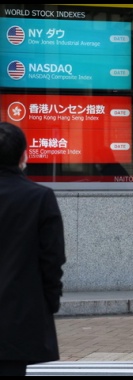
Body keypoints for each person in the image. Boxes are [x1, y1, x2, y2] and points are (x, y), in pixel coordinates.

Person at [0, 121, 66, 376]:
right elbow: (52, 259)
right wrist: (49, 303)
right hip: (19, 317)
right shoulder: (39, 198)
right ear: (23, 155)